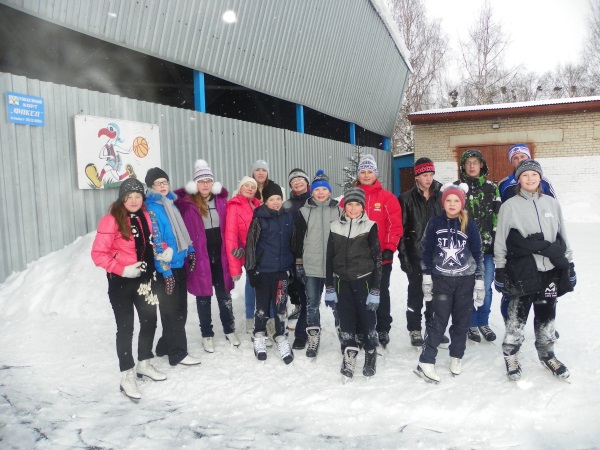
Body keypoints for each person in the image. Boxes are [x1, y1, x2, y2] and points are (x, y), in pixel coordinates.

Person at [494, 159, 575, 381]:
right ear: (518, 179)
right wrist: (500, 269)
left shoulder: (551, 203)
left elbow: (562, 236)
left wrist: (570, 263)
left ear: (540, 178)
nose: (530, 179)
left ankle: (548, 355)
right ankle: (511, 355)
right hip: (522, 270)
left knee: (547, 315)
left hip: (549, 270)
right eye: (525, 175)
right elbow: (501, 240)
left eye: (534, 175)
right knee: (516, 317)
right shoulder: (509, 206)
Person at [91, 178, 166, 401]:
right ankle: (127, 375)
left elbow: (153, 241)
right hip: (121, 282)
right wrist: (122, 269)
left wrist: (164, 251)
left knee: (149, 321)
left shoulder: (145, 216)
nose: (134, 200)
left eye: (137, 196)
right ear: (122, 199)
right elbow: (98, 254)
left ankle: (144, 363)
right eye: (129, 197)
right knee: (126, 328)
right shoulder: (111, 220)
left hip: (145, 280)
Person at [415, 183, 484, 383]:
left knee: (462, 322)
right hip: (441, 280)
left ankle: (456, 356)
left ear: (461, 203)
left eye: (456, 201)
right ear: (443, 202)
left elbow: (478, 253)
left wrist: (479, 279)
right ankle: (426, 361)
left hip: (465, 280)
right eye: (448, 200)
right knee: (438, 321)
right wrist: (426, 276)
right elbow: (426, 251)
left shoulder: (469, 224)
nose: (452, 204)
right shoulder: (435, 223)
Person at [174, 159, 240, 353]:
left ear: (213, 183)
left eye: (208, 181)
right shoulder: (187, 204)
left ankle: (229, 329)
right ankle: (207, 334)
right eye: (201, 181)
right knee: (203, 296)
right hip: (200, 256)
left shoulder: (222, 202)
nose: (205, 184)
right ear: (195, 184)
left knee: (224, 294)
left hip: (220, 255)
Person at [144, 168, 201, 367]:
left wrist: (190, 250)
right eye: (158, 183)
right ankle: (178, 353)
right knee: (172, 312)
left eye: (164, 182)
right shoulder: (151, 209)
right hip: (165, 269)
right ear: (151, 186)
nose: (162, 186)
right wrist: (165, 271)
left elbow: (180, 233)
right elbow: (156, 242)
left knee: (181, 310)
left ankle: (164, 346)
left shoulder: (171, 204)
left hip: (179, 264)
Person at [325, 188, 382, 380]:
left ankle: (371, 352)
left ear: (363, 207)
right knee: (346, 320)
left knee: (367, 320)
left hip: (364, 280)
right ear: (344, 205)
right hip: (342, 282)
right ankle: (349, 351)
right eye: (350, 204)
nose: (353, 208)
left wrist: (375, 289)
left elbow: (377, 260)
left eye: (357, 204)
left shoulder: (370, 226)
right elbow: (328, 259)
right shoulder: (334, 226)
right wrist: (329, 287)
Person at [291, 170, 342, 358]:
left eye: (324, 189)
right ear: (311, 192)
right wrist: (299, 262)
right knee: (312, 303)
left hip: (334, 267)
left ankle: (344, 334)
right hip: (311, 266)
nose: (320, 192)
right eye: (317, 189)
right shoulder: (303, 212)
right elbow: (297, 240)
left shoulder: (338, 210)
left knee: (337, 304)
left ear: (329, 192)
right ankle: (313, 335)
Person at [353, 154, 403, 348]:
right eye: (363, 172)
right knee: (358, 293)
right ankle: (360, 327)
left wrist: (390, 248)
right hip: (356, 258)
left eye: (370, 171)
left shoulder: (387, 198)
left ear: (376, 174)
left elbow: (394, 225)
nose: (366, 175)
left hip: (381, 257)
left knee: (380, 292)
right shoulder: (351, 196)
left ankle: (383, 328)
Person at [245, 182, 295, 364]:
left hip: (282, 272)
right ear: (265, 201)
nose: (275, 202)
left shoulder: (288, 217)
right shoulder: (259, 218)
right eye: (271, 199)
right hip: (263, 271)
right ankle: (259, 335)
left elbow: (293, 242)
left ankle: (281, 336)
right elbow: (250, 245)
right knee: (262, 307)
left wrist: (293, 267)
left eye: (278, 199)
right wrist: (251, 270)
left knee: (281, 305)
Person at [453, 150, 501, 343]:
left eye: (475, 162)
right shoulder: (457, 188)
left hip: (487, 249)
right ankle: (471, 324)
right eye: (468, 163)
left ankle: (483, 321)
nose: (472, 166)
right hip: (463, 251)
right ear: (463, 166)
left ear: (482, 165)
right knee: (467, 288)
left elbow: (499, 217)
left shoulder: (492, 188)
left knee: (486, 288)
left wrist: (497, 243)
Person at [398, 157, 445, 348]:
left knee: (436, 294)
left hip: (438, 256)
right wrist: (404, 257)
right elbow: (401, 231)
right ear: (417, 176)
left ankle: (433, 327)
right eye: (425, 175)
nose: (429, 178)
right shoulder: (406, 198)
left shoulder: (440, 196)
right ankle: (414, 328)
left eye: (431, 174)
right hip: (415, 255)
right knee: (416, 293)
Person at [224, 176, 261, 337]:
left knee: (262, 284)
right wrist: (234, 266)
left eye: (253, 187)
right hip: (247, 252)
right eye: (246, 186)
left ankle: (262, 315)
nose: (250, 189)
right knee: (252, 284)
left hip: (262, 251)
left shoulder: (257, 205)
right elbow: (231, 235)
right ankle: (250, 319)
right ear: (240, 188)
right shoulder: (234, 206)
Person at [284, 168, 312, 350]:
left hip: (315, 256)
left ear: (307, 182)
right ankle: (302, 332)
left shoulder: (315, 200)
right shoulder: (286, 205)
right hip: (295, 258)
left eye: (301, 179)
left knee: (312, 297)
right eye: (294, 180)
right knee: (303, 296)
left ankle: (304, 332)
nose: (298, 182)